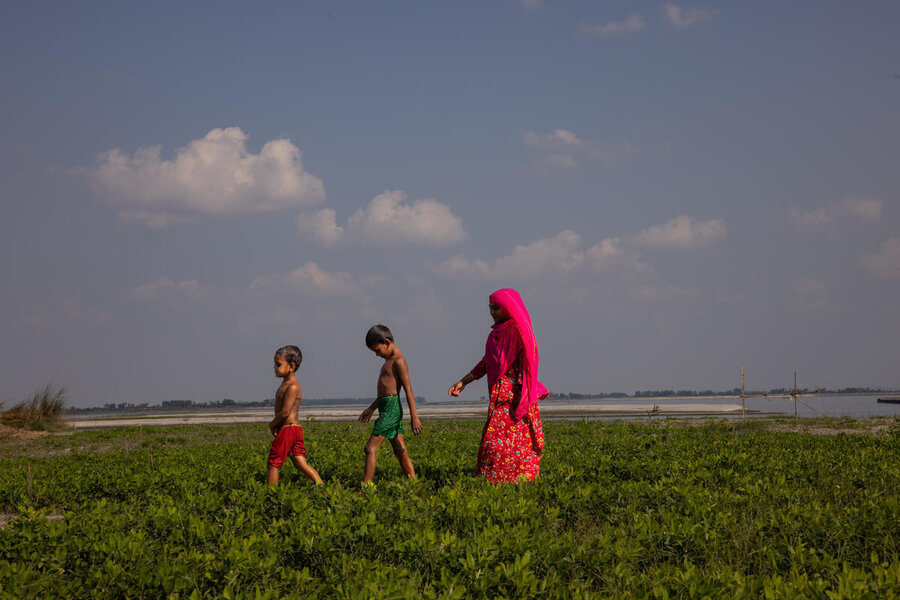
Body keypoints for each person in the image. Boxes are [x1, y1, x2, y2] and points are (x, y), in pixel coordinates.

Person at [448, 289, 547, 484]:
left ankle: (513, 481)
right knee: (495, 442)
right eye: (490, 308)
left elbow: (527, 364)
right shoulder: (496, 335)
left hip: (516, 398)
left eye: (496, 308)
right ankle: (496, 482)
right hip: (499, 395)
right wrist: (463, 382)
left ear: (508, 309)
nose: (491, 311)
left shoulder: (519, 333)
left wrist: (521, 398)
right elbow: (487, 362)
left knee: (509, 442)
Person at [358, 324, 423, 484]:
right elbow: (386, 392)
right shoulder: (388, 361)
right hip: (385, 407)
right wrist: (372, 408)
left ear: (387, 342)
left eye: (377, 351)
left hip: (391, 410)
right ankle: (413, 482)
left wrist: (414, 417)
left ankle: (366, 487)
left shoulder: (399, 361)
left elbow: (408, 391)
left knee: (370, 448)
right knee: (399, 450)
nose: (377, 355)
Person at [267, 345, 322, 486]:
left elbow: (285, 412)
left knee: (273, 462)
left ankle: (269, 494)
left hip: (289, 429)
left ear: (291, 366)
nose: (274, 367)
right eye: (274, 364)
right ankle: (322, 487)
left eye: (278, 364)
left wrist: (272, 424)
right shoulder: (285, 384)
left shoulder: (292, 386)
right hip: (294, 429)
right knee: (299, 463)